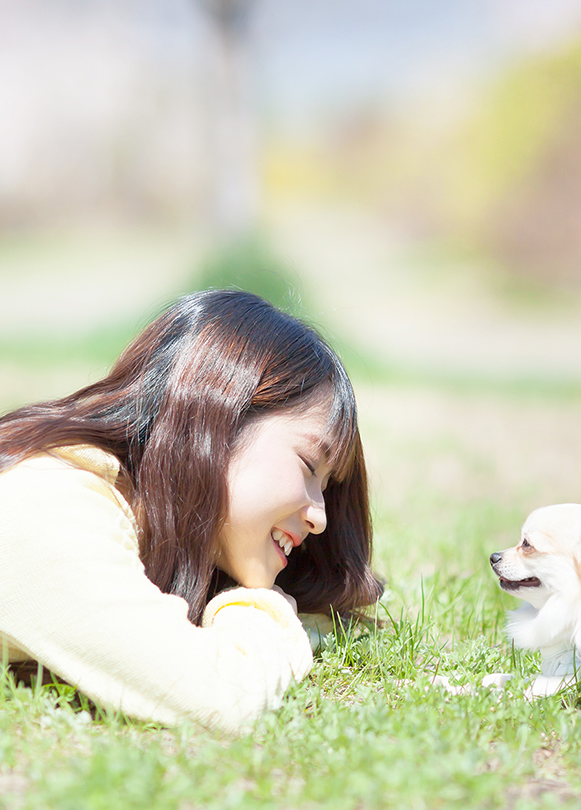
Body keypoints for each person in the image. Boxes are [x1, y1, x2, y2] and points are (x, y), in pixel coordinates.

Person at [0, 289, 382, 735]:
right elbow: (218, 697)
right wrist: (260, 611)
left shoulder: (143, 525)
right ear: (217, 419)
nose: (320, 517)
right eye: (308, 465)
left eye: (327, 487)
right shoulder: (47, 505)